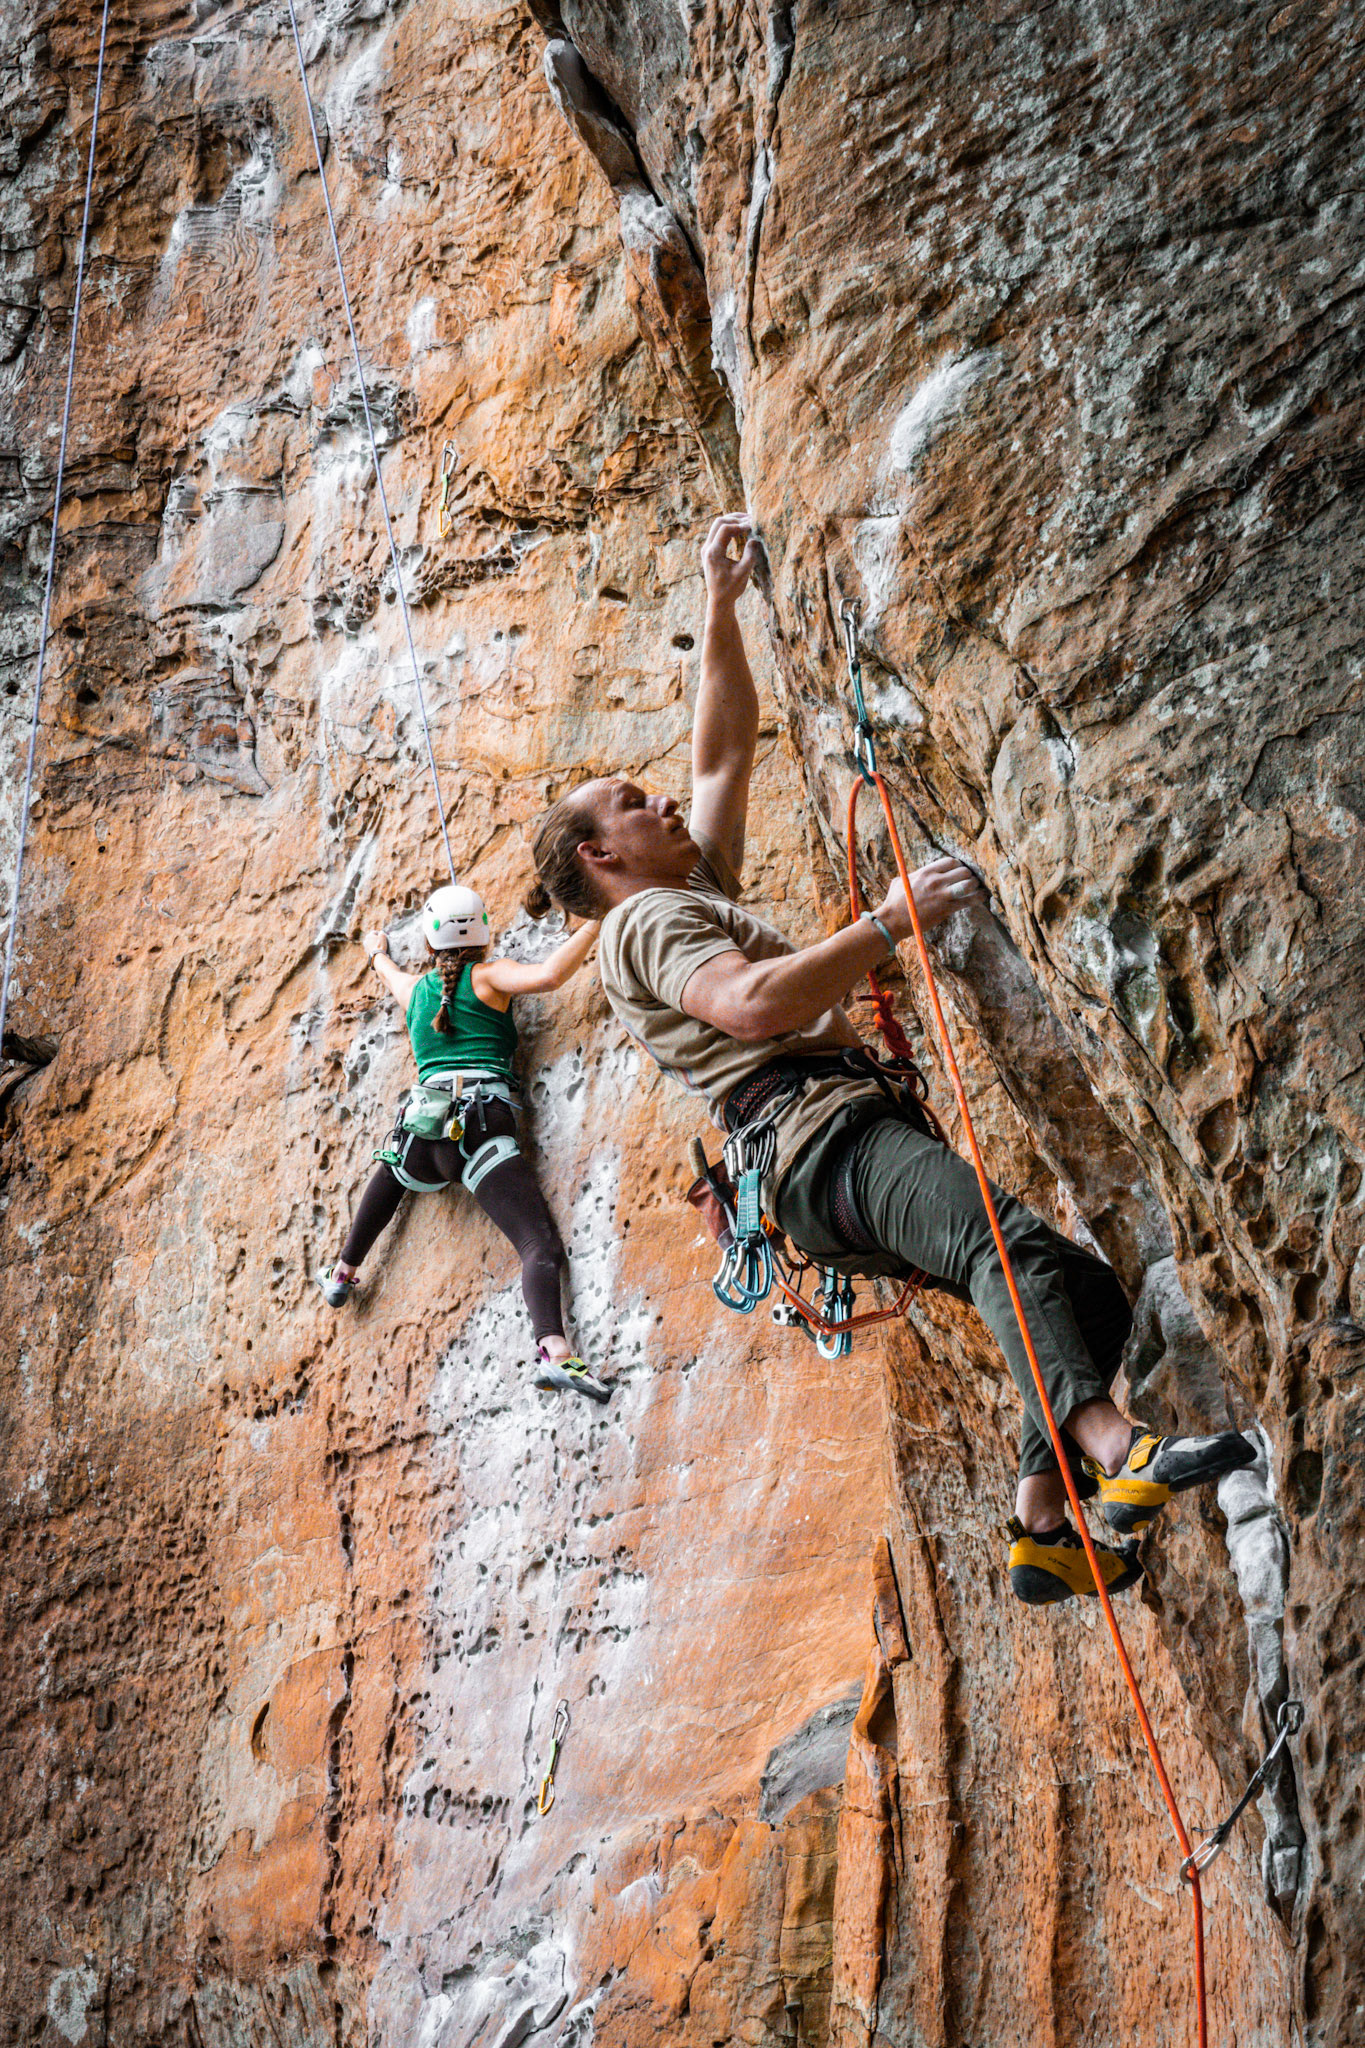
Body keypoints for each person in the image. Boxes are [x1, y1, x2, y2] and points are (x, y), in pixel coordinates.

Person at [524, 513, 1254, 1600]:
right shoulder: (646, 921)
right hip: (825, 1141)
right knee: (1001, 1245)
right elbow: (750, 1004)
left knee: (1084, 1294)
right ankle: (1118, 1449)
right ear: (600, 854)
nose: (663, 800)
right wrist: (890, 921)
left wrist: (719, 604)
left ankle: (1043, 1525)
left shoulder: (684, 890)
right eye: (635, 805)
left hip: (830, 1156)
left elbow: (721, 754)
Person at [317, 883, 610, 1405]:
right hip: (480, 1129)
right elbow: (550, 974)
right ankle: (554, 1352)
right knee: (537, 1246)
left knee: (390, 1173)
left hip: (421, 1130)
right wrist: (598, 918)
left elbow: (386, 970)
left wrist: (376, 950)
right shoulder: (490, 976)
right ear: (483, 934)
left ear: (430, 943)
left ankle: (342, 1273)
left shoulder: (415, 990)